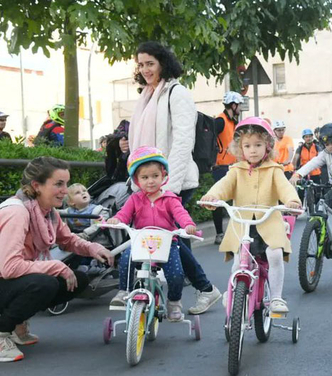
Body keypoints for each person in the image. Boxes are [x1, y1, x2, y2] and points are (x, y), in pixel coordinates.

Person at [128, 41, 221, 315]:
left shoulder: (177, 93)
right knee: (168, 241)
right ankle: (197, 290)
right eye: (141, 64)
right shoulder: (147, 94)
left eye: (150, 63)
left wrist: (170, 185)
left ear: (163, 63)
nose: (145, 69)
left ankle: (205, 289)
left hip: (171, 181)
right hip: (150, 180)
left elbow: (183, 141)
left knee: (169, 240)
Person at [0, 157, 114, 362]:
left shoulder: (47, 212)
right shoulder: (16, 212)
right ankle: (1, 333)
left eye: (67, 183)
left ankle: (17, 326)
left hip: (8, 283)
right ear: (37, 186)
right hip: (5, 277)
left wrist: (93, 248)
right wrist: (56, 266)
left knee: (78, 280)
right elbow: (9, 267)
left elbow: (67, 239)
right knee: (43, 283)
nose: (65, 190)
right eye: (59, 184)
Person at [200, 117, 302, 314]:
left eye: (258, 145)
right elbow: (224, 186)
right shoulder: (236, 170)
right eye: (247, 146)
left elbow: (285, 188)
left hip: (268, 223)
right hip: (242, 224)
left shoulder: (274, 170)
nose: (253, 150)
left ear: (268, 146)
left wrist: (292, 201)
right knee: (240, 261)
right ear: (240, 149)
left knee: (275, 255)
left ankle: (276, 298)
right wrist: (212, 196)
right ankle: (233, 292)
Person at [108, 147, 196, 321]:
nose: (150, 181)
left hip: (166, 243)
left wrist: (188, 225)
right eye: (145, 177)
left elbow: (181, 214)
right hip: (141, 242)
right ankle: (123, 291)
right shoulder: (134, 199)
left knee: (176, 273)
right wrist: (116, 220)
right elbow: (124, 215)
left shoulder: (170, 199)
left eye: (155, 176)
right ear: (136, 180)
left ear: (163, 176)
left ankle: (174, 302)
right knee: (126, 259)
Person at [289, 123, 332, 208]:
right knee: (320, 211)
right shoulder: (325, 153)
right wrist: (297, 174)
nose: (330, 146)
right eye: (327, 144)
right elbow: (312, 163)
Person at [211, 91, 244, 245]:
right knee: (219, 200)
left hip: (232, 166)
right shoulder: (221, 121)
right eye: (239, 105)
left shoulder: (233, 122)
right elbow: (210, 138)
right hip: (220, 166)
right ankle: (219, 233)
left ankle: (237, 229)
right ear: (233, 105)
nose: (241, 108)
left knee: (237, 197)